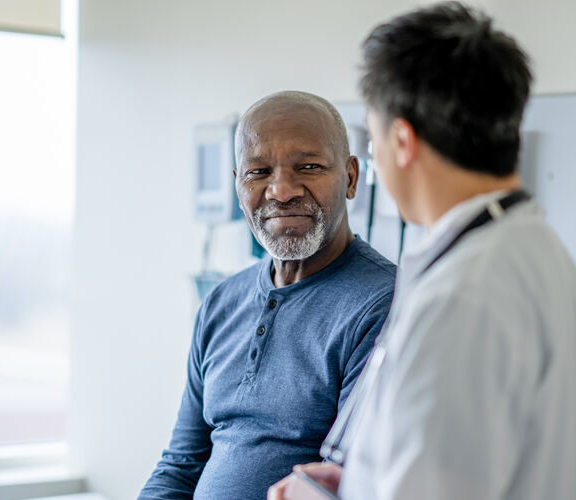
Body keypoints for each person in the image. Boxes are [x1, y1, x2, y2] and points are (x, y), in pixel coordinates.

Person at [269, 3, 576, 500]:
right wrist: (360, 484)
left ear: (402, 141)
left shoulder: (463, 296)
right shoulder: (536, 252)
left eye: (374, 141)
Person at [138, 91, 396, 500]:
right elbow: (181, 466)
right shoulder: (221, 303)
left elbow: (346, 483)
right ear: (238, 183)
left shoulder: (385, 305)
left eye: (308, 167)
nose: (281, 191)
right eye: (258, 172)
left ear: (351, 178)